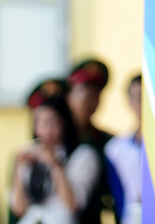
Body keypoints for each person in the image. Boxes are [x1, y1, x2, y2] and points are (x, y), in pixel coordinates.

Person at [9, 88, 100, 224]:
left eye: (52, 122)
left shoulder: (82, 155)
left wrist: (55, 165)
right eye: (40, 122)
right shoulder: (29, 155)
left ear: (65, 123)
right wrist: (19, 169)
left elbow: (73, 205)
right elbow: (19, 209)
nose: (46, 130)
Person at [64, 59, 113, 224]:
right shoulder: (56, 140)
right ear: (69, 95)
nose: (89, 100)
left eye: (95, 94)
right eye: (84, 92)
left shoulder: (108, 142)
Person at [102, 75, 144, 224]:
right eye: (138, 98)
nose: (143, 104)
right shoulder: (115, 149)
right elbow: (117, 195)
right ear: (130, 102)